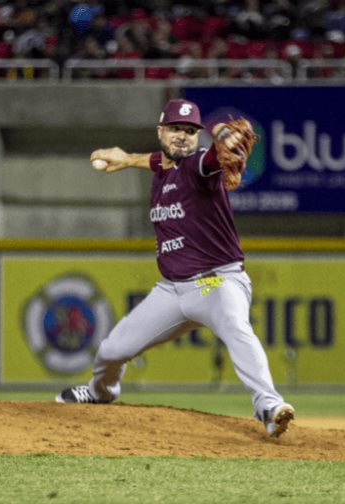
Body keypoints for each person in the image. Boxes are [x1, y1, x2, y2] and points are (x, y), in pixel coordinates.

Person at [55, 99, 295, 438]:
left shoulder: (200, 165)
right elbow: (158, 160)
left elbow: (211, 159)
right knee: (111, 351)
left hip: (217, 283)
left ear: (198, 137)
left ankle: (269, 407)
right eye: (175, 129)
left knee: (236, 327)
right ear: (160, 131)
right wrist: (125, 159)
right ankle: (100, 392)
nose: (182, 136)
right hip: (171, 291)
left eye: (189, 131)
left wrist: (224, 142)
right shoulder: (162, 167)